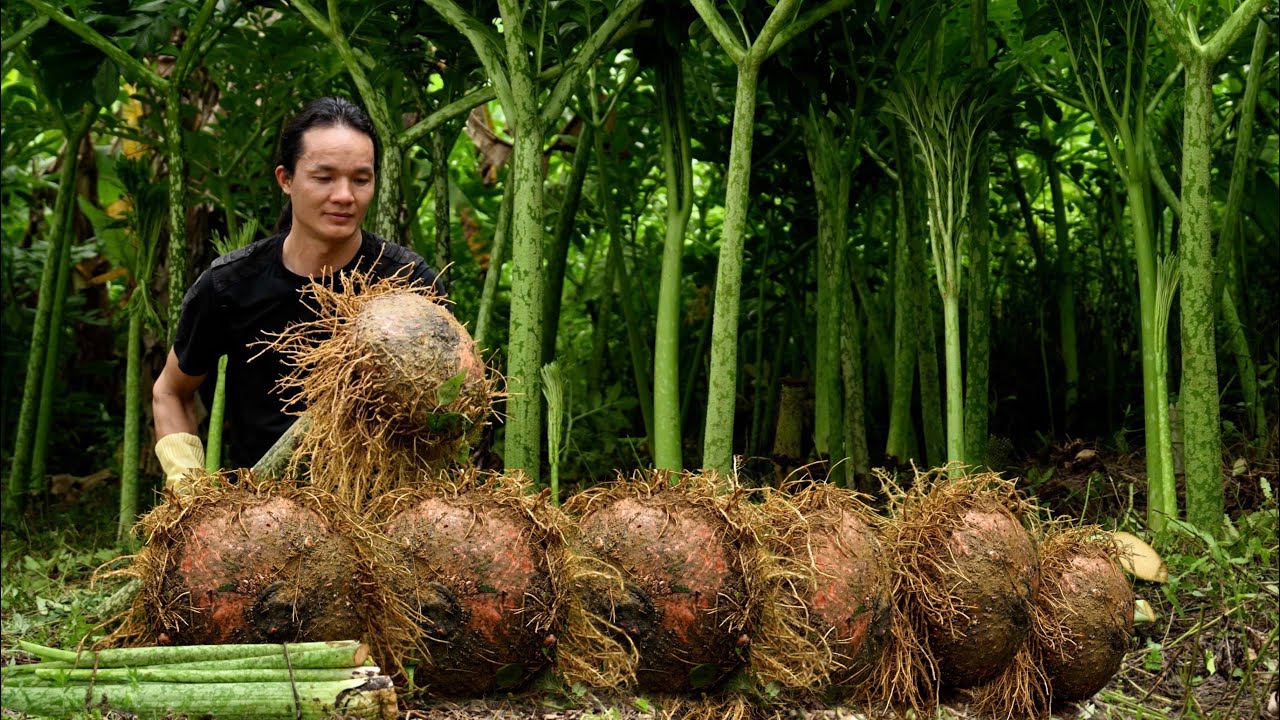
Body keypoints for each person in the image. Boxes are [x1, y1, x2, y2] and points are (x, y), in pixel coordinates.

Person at [152, 96, 442, 491]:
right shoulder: (228, 286)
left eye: (361, 179)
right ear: (286, 179)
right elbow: (170, 391)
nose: (345, 195)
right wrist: (189, 484)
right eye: (324, 178)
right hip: (264, 512)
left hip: (382, 511)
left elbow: (448, 404)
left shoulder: (409, 283)